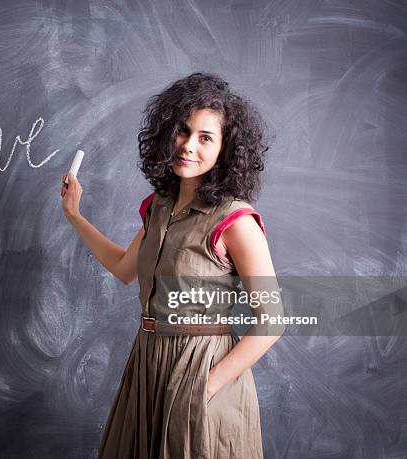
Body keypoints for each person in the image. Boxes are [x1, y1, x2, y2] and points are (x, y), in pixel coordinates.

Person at [60, 72, 284, 458]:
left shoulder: (237, 221)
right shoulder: (159, 207)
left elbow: (272, 320)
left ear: (225, 150)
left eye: (205, 137)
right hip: (147, 362)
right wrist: (74, 215)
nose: (188, 146)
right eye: (183, 130)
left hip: (201, 368)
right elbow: (124, 267)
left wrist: (207, 385)